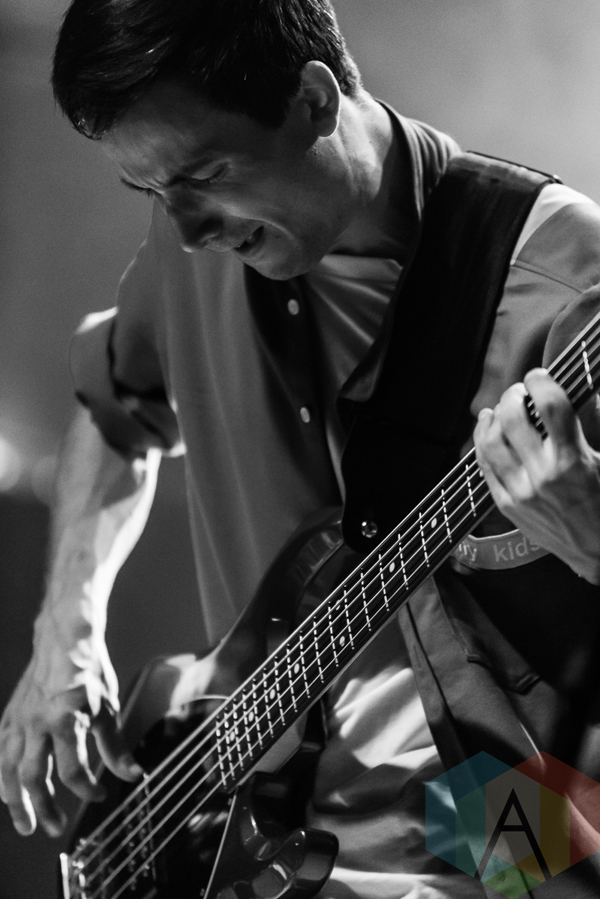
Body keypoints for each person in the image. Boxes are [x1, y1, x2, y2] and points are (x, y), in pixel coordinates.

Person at [2, 0, 600, 896]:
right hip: (241, 804)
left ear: (314, 99)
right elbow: (113, 409)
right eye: (153, 192)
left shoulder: (560, 278)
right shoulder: (190, 238)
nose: (189, 229)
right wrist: (65, 636)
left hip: (486, 788)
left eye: (206, 174)